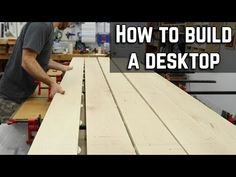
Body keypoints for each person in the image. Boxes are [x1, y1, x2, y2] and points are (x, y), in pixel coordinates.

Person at [0, 22, 73, 123]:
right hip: (11, 99)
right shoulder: (41, 25)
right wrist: (52, 83)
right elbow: (27, 60)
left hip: (22, 94)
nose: (70, 24)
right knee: (12, 137)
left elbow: (41, 59)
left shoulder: (48, 27)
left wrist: (63, 67)